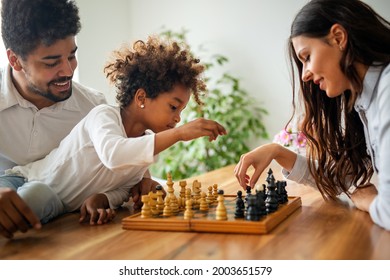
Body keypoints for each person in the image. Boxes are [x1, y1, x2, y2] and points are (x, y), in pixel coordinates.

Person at [5, 36, 227, 230]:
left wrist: (103, 198)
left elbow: (124, 187)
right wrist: (180, 134)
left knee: (40, 204)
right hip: (20, 179)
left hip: (55, 204)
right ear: (141, 98)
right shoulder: (103, 115)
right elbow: (114, 155)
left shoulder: (145, 146)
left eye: (181, 111)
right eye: (173, 107)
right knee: (34, 197)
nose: (178, 118)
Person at [235, 0, 390, 230]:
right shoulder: (365, 102)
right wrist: (278, 152)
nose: (305, 75)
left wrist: (371, 202)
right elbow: (344, 179)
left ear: (338, 37)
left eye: (307, 57)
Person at [0, 0, 106, 238]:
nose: (68, 71)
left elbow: (123, 174)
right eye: (52, 62)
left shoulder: (94, 109)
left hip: (62, 239)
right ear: (15, 59)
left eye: (72, 56)